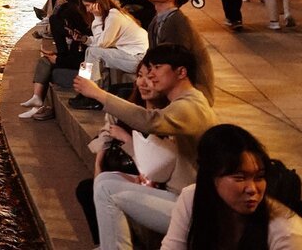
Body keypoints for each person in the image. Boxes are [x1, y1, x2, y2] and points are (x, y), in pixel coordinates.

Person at [75, 44, 219, 250]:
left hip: (193, 208)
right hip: (178, 196)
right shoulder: (181, 103)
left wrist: (100, 95)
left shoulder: (191, 105)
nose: (151, 75)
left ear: (181, 72)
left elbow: (149, 121)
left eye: (157, 68)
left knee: (107, 189)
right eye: (147, 69)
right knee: (106, 180)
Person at [161, 124, 302, 250]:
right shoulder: (191, 198)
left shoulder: (288, 234)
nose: (252, 189)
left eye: (259, 177)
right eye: (240, 178)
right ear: (211, 177)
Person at [74, 63, 176, 244]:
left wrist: (127, 140)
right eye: (140, 76)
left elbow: (156, 170)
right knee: (89, 188)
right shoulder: (127, 110)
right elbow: (104, 140)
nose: (143, 83)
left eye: (151, 78)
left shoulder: (166, 119)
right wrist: (98, 167)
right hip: (118, 173)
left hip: (148, 183)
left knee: (103, 189)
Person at [69, 0, 149, 109]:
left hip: (138, 58)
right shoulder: (110, 15)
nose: (87, 10)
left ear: (97, 2)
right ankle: (85, 90)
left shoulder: (113, 16)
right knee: (91, 51)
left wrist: (96, 17)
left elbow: (102, 44)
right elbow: (101, 41)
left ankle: (91, 95)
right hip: (130, 54)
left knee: (93, 52)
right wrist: (85, 40)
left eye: (88, 5)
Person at [145, 0, 216, 104]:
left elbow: (174, 64)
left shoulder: (177, 23)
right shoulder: (157, 20)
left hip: (190, 92)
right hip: (171, 83)